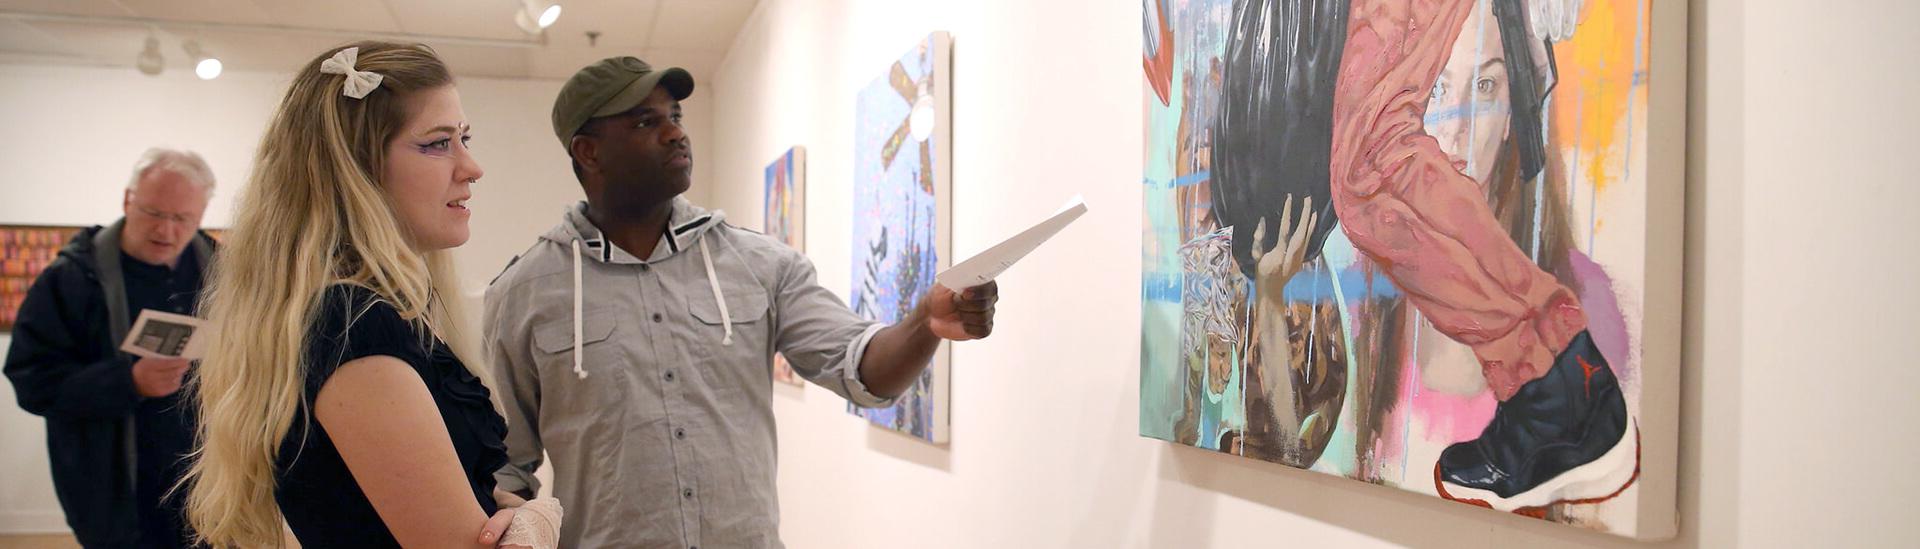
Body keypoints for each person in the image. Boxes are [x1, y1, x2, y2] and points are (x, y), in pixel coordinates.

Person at [484, 56, 1000, 547]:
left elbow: (862, 370)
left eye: (676, 116)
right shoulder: (525, 293)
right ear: (588, 152)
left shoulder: (760, 264)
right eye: (645, 122)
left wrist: (924, 323)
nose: (675, 132)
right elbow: (507, 466)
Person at [176, 42, 559, 548]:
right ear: (355, 169)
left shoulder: (371, 315)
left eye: (464, 137)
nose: (471, 167)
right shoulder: (353, 326)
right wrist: (542, 517)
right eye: (437, 143)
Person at [1330, 0, 1636, 513]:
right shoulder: (1358, 304)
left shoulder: (1598, 289)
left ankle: (1554, 379)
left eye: (1486, 87)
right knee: (1377, 159)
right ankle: (1557, 372)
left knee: (1371, 164)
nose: (1457, 129)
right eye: (1443, 90)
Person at [5, 148, 217, 548]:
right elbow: (31, 380)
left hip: (209, 485)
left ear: (200, 216)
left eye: (181, 219)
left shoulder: (222, 273)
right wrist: (128, 381)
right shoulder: (70, 279)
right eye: (154, 213)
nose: (166, 231)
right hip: (114, 492)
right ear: (127, 200)